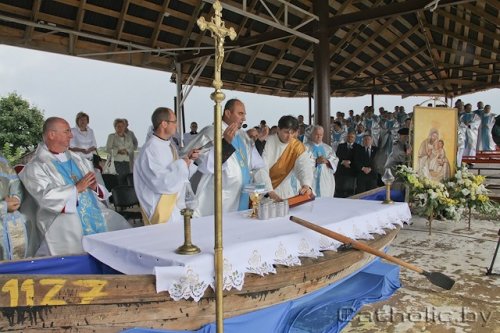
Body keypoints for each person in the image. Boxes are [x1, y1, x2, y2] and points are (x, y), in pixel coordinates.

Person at [19, 117, 131, 256]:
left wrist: (95, 187)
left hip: (96, 216)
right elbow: (44, 198)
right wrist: (76, 189)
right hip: (63, 222)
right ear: (51, 134)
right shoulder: (35, 167)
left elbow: (98, 190)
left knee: (122, 235)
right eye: (67, 131)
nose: (71, 135)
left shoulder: (79, 160)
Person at [182, 99, 273, 217]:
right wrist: (225, 143)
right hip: (221, 198)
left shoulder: (242, 135)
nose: (244, 118)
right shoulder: (210, 132)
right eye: (240, 114)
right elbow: (203, 164)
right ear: (228, 113)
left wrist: (259, 141)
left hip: (242, 195)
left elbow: (254, 162)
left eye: (244, 114)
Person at [134, 108, 199, 225]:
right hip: (162, 208)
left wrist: (189, 160)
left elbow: (178, 175)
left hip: (175, 206)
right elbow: (160, 181)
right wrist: (183, 163)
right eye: (174, 122)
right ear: (164, 124)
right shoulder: (150, 149)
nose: (177, 125)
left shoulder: (169, 146)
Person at [260, 115, 314, 200]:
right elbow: (261, 169)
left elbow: (304, 167)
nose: (289, 136)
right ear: (278, 129)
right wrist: (269, 191)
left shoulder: (297, 146)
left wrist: (306, 185)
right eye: (286, 132)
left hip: (286, 192)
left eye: (292, 133)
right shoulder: (267, 143)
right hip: (265, 192)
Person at [0, 154, 37, 260]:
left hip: (9, 222)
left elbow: (14, 181)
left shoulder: (2, 161)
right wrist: (4, 206)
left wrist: (16, 198)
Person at [305, 125, 338, 197]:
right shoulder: (305, 147)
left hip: (325, 179)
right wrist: (315, 161)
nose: (319, 136)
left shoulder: (327, 148)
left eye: (321, 135)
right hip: (311, 179)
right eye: (317, 134)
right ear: (312, 134)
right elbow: (302, 162)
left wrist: (328, 161)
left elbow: (335, 160)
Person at [335, 131, 359, 197]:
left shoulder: (358, 147)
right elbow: (337, 156)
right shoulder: (341, 146)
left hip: (352, 171)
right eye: (349, 137)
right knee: (339, 190)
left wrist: (349, 162)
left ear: (354, 138)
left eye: (352, 137)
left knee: (350, 191)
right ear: (346, 137)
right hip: (341, 171)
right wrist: (343, 162)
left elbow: (358, 158)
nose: (350, 138)